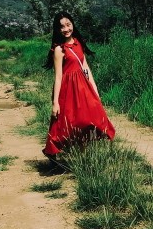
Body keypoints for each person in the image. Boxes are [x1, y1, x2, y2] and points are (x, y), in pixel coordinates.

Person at [43, 12, 115, 158]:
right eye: (62, 26)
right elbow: (58, 77)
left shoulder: (78, 43)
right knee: (67, 123)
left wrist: (95, 90)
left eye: (68, 25)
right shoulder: (59, 49)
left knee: (88, 119)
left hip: (83, 87)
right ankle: (58, 154)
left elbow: (86, 68)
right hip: (68, 90)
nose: (66, 29)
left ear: (73, 25)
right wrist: (55, 102)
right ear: (57, 29)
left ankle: (82, 156)